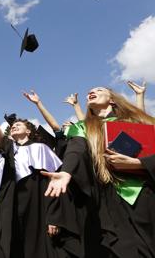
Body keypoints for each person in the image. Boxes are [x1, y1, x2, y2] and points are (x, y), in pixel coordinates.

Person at [43, 86, 155, 257]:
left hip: (144, 193)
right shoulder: (82, 127)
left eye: (99, 89)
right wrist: (66, 172)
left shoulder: (138, 122)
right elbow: (76, 150)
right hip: (106, 198)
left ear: (112, 99)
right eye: (88, 92)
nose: (90, 92)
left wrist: (139, 163)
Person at [0, 85, 76, 258]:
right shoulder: (6, 151)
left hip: (36, 207)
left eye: (19, 124)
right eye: (12, 126)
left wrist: (53, 217)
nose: (14, 126)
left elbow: (53, 186)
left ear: (29, 130)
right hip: (9, 208)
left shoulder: (41, 149)